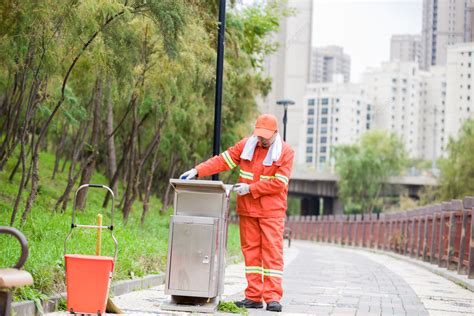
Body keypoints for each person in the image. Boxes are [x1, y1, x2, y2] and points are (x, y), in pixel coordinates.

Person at [179, 114, 294, 312]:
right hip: (248, 210)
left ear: (276, 133)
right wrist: (197, 171)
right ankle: (253, 296)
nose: (261, 139)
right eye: (259, 135)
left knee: (272, 254)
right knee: (251, 253)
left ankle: (273, 297)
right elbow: (222, 161)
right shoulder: (246, 145)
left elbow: (279, 184)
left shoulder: (285, 152)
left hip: (271, 212)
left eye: (266, 136)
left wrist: (251, 189)